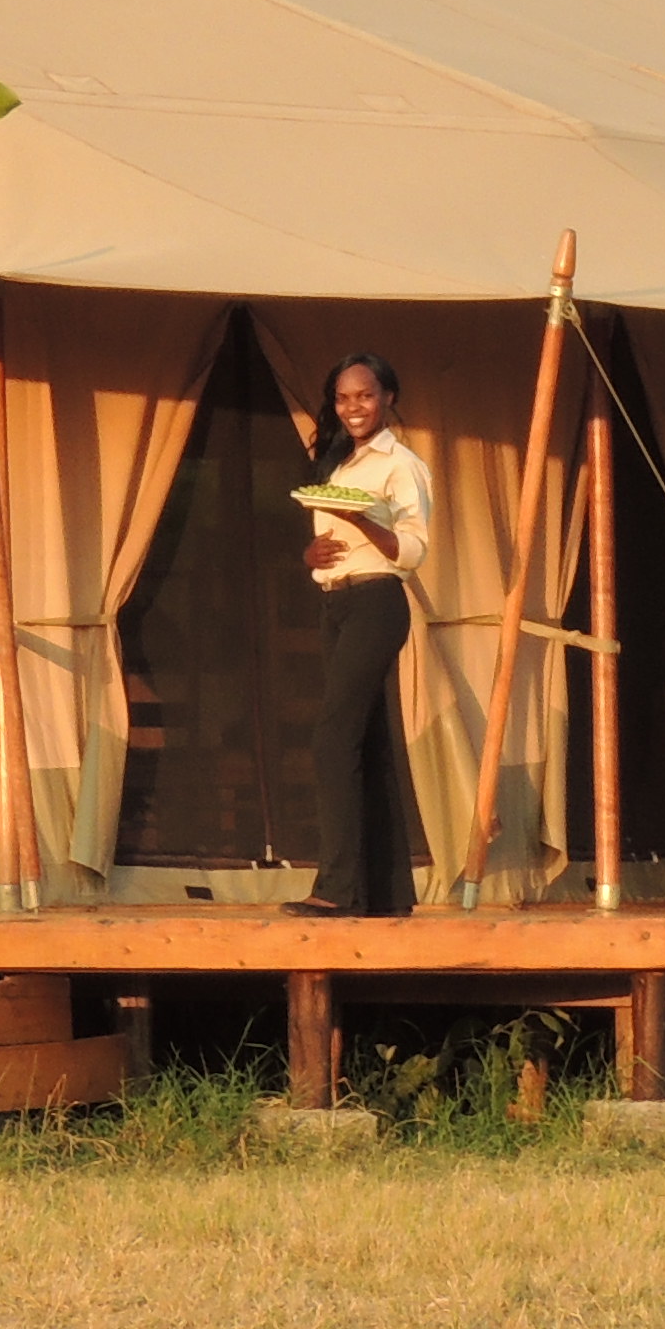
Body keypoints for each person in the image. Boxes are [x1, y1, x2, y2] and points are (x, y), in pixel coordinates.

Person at [290, 354, 433, 919]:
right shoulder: (340, 464)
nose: (353, 407)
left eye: (365, 396)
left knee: (332, 739)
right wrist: (312, 554)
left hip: (377, 602)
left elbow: (413, 551)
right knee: (364, 744)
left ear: (389, 398)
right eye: (344, 397)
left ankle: (338, 889)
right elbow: (327, 544)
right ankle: (385, 894)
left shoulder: (401, 465)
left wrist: (362, 522)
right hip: (337, 602)